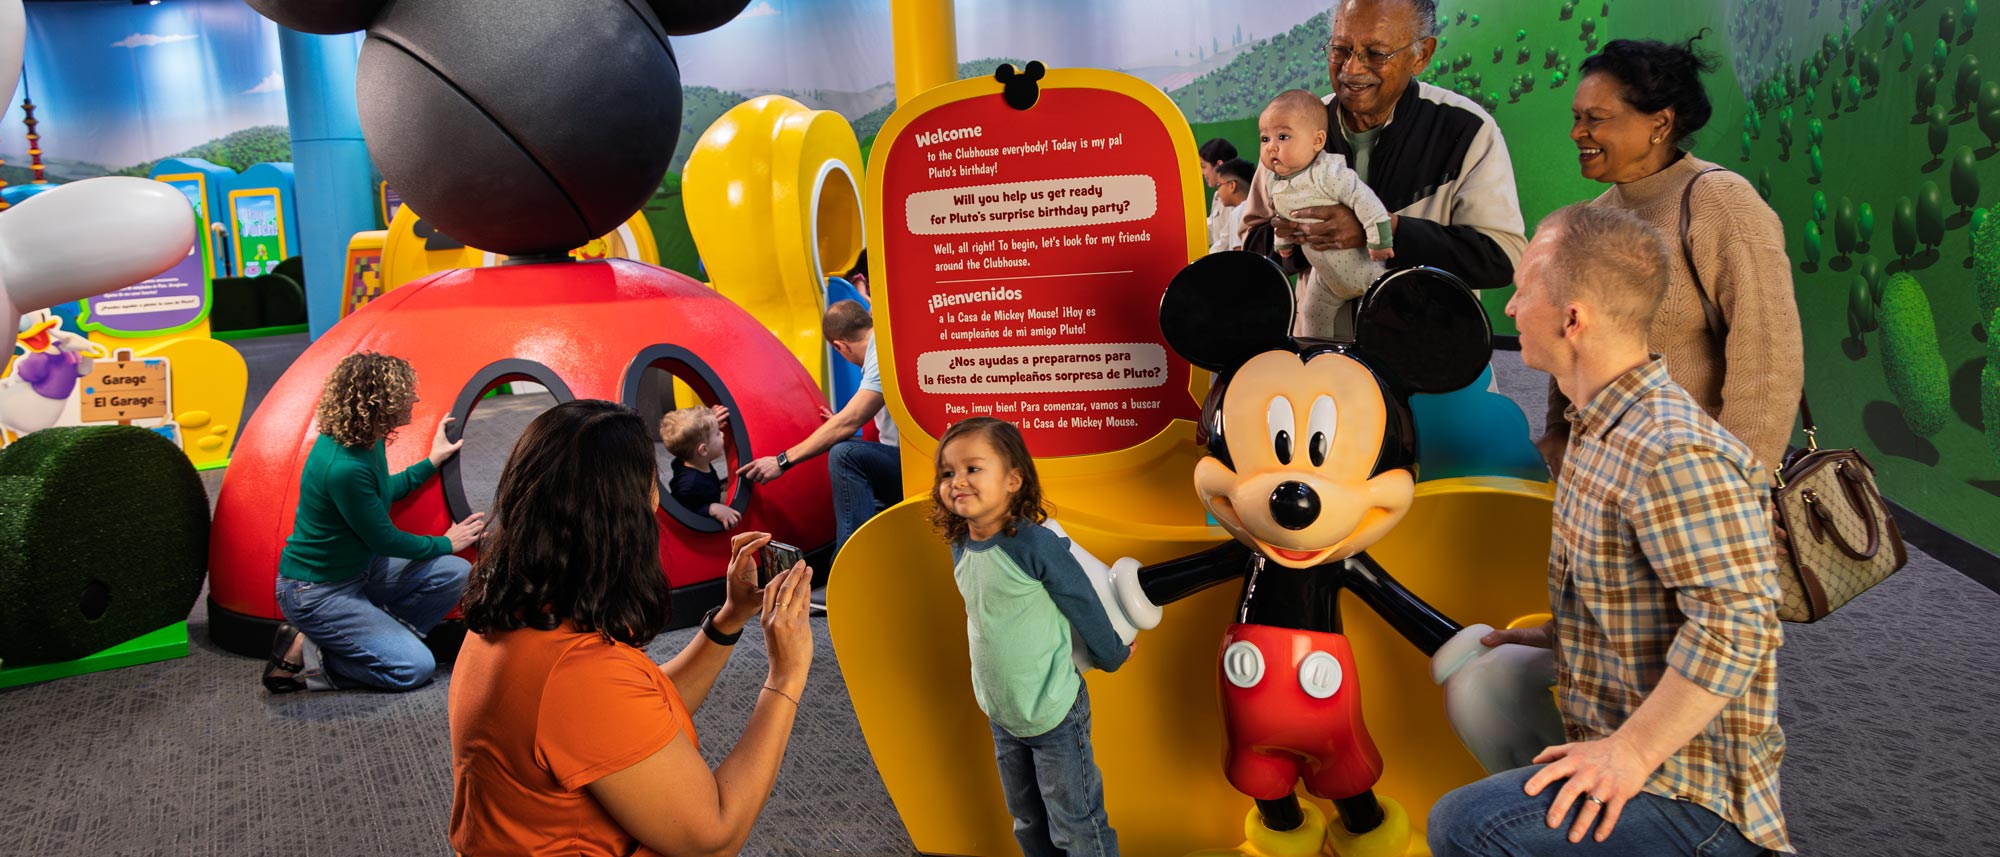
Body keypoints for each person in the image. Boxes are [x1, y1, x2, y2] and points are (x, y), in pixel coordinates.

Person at [1428, 204, 1787, 855]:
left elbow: (1742, 623)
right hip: (1620, 727)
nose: (1510, 307)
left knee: (1466, 825)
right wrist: (1554, 633)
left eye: (1526, 287)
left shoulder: (1671, 448)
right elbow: (1651, 587)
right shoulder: (1599, 426)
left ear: (1573, 318)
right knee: (1487, 669)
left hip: (1694, 793)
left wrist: (1629, 752)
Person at [449, 399, 816, 856]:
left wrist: (730, 617)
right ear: (620, 519)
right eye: (650, 488)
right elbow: (714, 836)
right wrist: (785, 678)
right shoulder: (579, 677)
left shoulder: (517, 612)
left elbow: (634, 714)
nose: (657, 503)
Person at [1538, 36, 1803, 477]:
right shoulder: (1595, 215)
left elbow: (1768, 365)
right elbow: (1573, 340)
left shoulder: (1722, 204)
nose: (1577, 132)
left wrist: (1735, 486)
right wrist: (1557, 429)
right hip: (1603, 476)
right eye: (1576, 118)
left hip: (1690, 482)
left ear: (1660, 123)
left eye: (1596, 119)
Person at [1241, 0, 1526, 339]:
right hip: (1323, 366)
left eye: (1376, 53)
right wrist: (1298, 238)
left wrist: (1385, 232)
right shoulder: (1297, 128)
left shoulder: (1465, 130)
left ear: (1421, 55)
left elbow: (1501, 257)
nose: (1352, 69)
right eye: (1340, 49)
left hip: (1426, 363)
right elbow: (1252, 240)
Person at [933, 416, 1132, 857]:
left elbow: (1083, 602)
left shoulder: (1034, 544)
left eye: (972, 468)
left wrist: (1113, 654)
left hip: (1054, 710)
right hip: (1004, 713)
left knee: (1075, 825)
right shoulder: (961, 543)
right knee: (1027, 820)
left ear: (1012, 479)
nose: (957, 481)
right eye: (947, 472)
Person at [262, 352, 485, 694]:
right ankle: (309, 654)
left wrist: (431, 462)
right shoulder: (344, 466)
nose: (414, 398)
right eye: (405, 393)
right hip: (317, 591)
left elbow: (379, 492)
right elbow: (384, 539)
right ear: (381, 403)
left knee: (454, 573)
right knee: (414, 669)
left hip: (360, 570)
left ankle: (376, 642)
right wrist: (445, 542)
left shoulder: (366, 441)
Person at [740, 299, 899, 560]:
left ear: (840, 346)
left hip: (915, 466)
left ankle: (849, 567)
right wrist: (839, 425)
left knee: (844, 455)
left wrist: (782, 461)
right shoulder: (886, 338)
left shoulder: (880, 353)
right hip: (910, 460)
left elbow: (852, 419)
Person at [1262, 88, 1395, 334]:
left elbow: (1364, 199)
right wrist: (1283, 244)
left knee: (1386, 307)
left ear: (1317, 141)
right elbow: (1281, 218)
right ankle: (1317, 353)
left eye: (1283, 137)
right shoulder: (1274, 182)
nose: (1271, 147)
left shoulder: (1327, 173)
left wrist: (1379, 238)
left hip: (1362, 267)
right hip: (1325, 278)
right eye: (1265, 139)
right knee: (1313, 313)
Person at [659, 403, 740, 527]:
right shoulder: (688, 485)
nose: (722, 434)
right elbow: (683, 513)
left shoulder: (692, 459)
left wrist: (709, 422)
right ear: (703, 450)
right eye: (718, 433)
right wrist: (710, 509)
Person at [1199, 137, 1241, 253]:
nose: (1202, 173)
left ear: (1218, 165)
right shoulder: (1218, 195)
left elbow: (1226, 240)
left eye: (1203, 166)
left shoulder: (1234, 197)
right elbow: (1211, 229)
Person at [1208, 158, 1256, 254]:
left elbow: (1237, 252)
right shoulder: (1255, 209)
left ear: (1232, 186)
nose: (1218, 191)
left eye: (1219, 185)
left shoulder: (1237, 213)